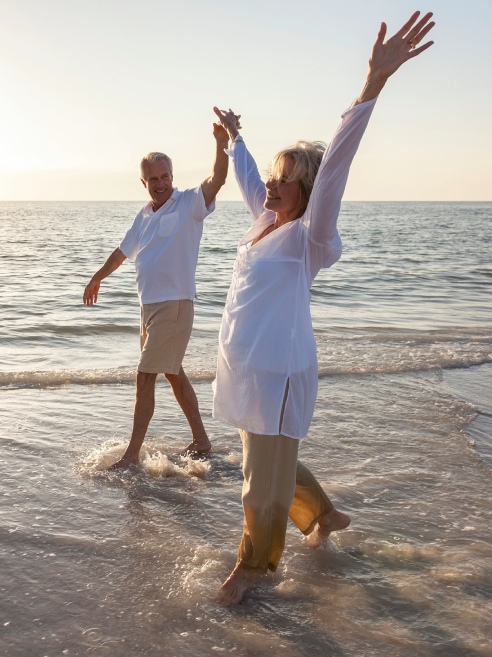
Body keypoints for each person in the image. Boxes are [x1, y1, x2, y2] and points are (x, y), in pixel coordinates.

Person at [211, 12, 436, 605]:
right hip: (249, 370)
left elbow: (336, 165)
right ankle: (324, 517)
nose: (272, 186)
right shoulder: (264, 224)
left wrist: (372, 84)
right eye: (274, 177)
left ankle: (253, 569)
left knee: (259, 483)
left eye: (286, 180)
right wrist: (236, 137)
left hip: (280, 371)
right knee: (264, 463)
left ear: (308, 189)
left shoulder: (309, 236)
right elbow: (246, 178)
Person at [83, 122, 231, 470]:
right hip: (148, 308)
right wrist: (96, 278)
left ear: (172, 176)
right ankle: (202, 440)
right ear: (144, 182)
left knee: (145, 374)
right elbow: (121, 253)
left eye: (166, 176)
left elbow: (217, 179)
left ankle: (131, 455)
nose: (161, 183)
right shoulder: (144, 215)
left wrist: (221, 143)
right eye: (154, 179)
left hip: (175, 304)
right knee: (173, 373)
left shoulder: (189, 204)